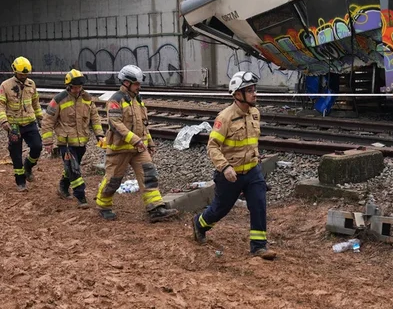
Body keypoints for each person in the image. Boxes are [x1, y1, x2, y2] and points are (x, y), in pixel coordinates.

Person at [192, 71, 276, 260]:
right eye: (250, 90)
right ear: (238, 94)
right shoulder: (225, 117)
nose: (255, 94)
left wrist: (256, 159)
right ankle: (199, 223)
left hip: (253, 171)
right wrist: (225, 167)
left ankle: (259, 247)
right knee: (220, 209)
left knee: (259, 204)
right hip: (230, 175)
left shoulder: (255, 113)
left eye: (254, 89)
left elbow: (251, 141)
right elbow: (212, 146)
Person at [95, 64, 178, 222]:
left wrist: (150, 142)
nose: (139, 87)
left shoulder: (137, 100)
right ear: (126, 83)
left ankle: (155, 208)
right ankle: (103, 205)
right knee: (113, 180)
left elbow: (143, 125)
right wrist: (136, 140)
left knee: (149, 175)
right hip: (119, 149)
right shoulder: (115, 100)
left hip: (139, 148)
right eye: (137, 84)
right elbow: (116, 124)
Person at [41, 69, 104, 209]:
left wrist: (99, 134)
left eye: (79, 87)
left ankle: (63, 186)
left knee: (70, 167)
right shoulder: (58, 99)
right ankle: (80, 196)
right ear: (68, 86)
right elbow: (47, 121)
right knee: (74, 169)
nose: (77, 90)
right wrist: (48, 141)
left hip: (82, 142)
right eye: (75, 87)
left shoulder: (87, 98)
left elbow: (95, 117)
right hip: (66, 142)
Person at [0, 56, 43, 192]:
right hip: (13, 124)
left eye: (26, 74)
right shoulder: (6, 85)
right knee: (15, 154)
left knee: (37, 146)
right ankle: (20, 181)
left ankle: (28, 166)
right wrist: (4, 121)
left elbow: (35, 103)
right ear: (15, 71)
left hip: (29, 122)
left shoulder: (31, 84)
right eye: (21, 74)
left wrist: (40, 117)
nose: (24, 76)